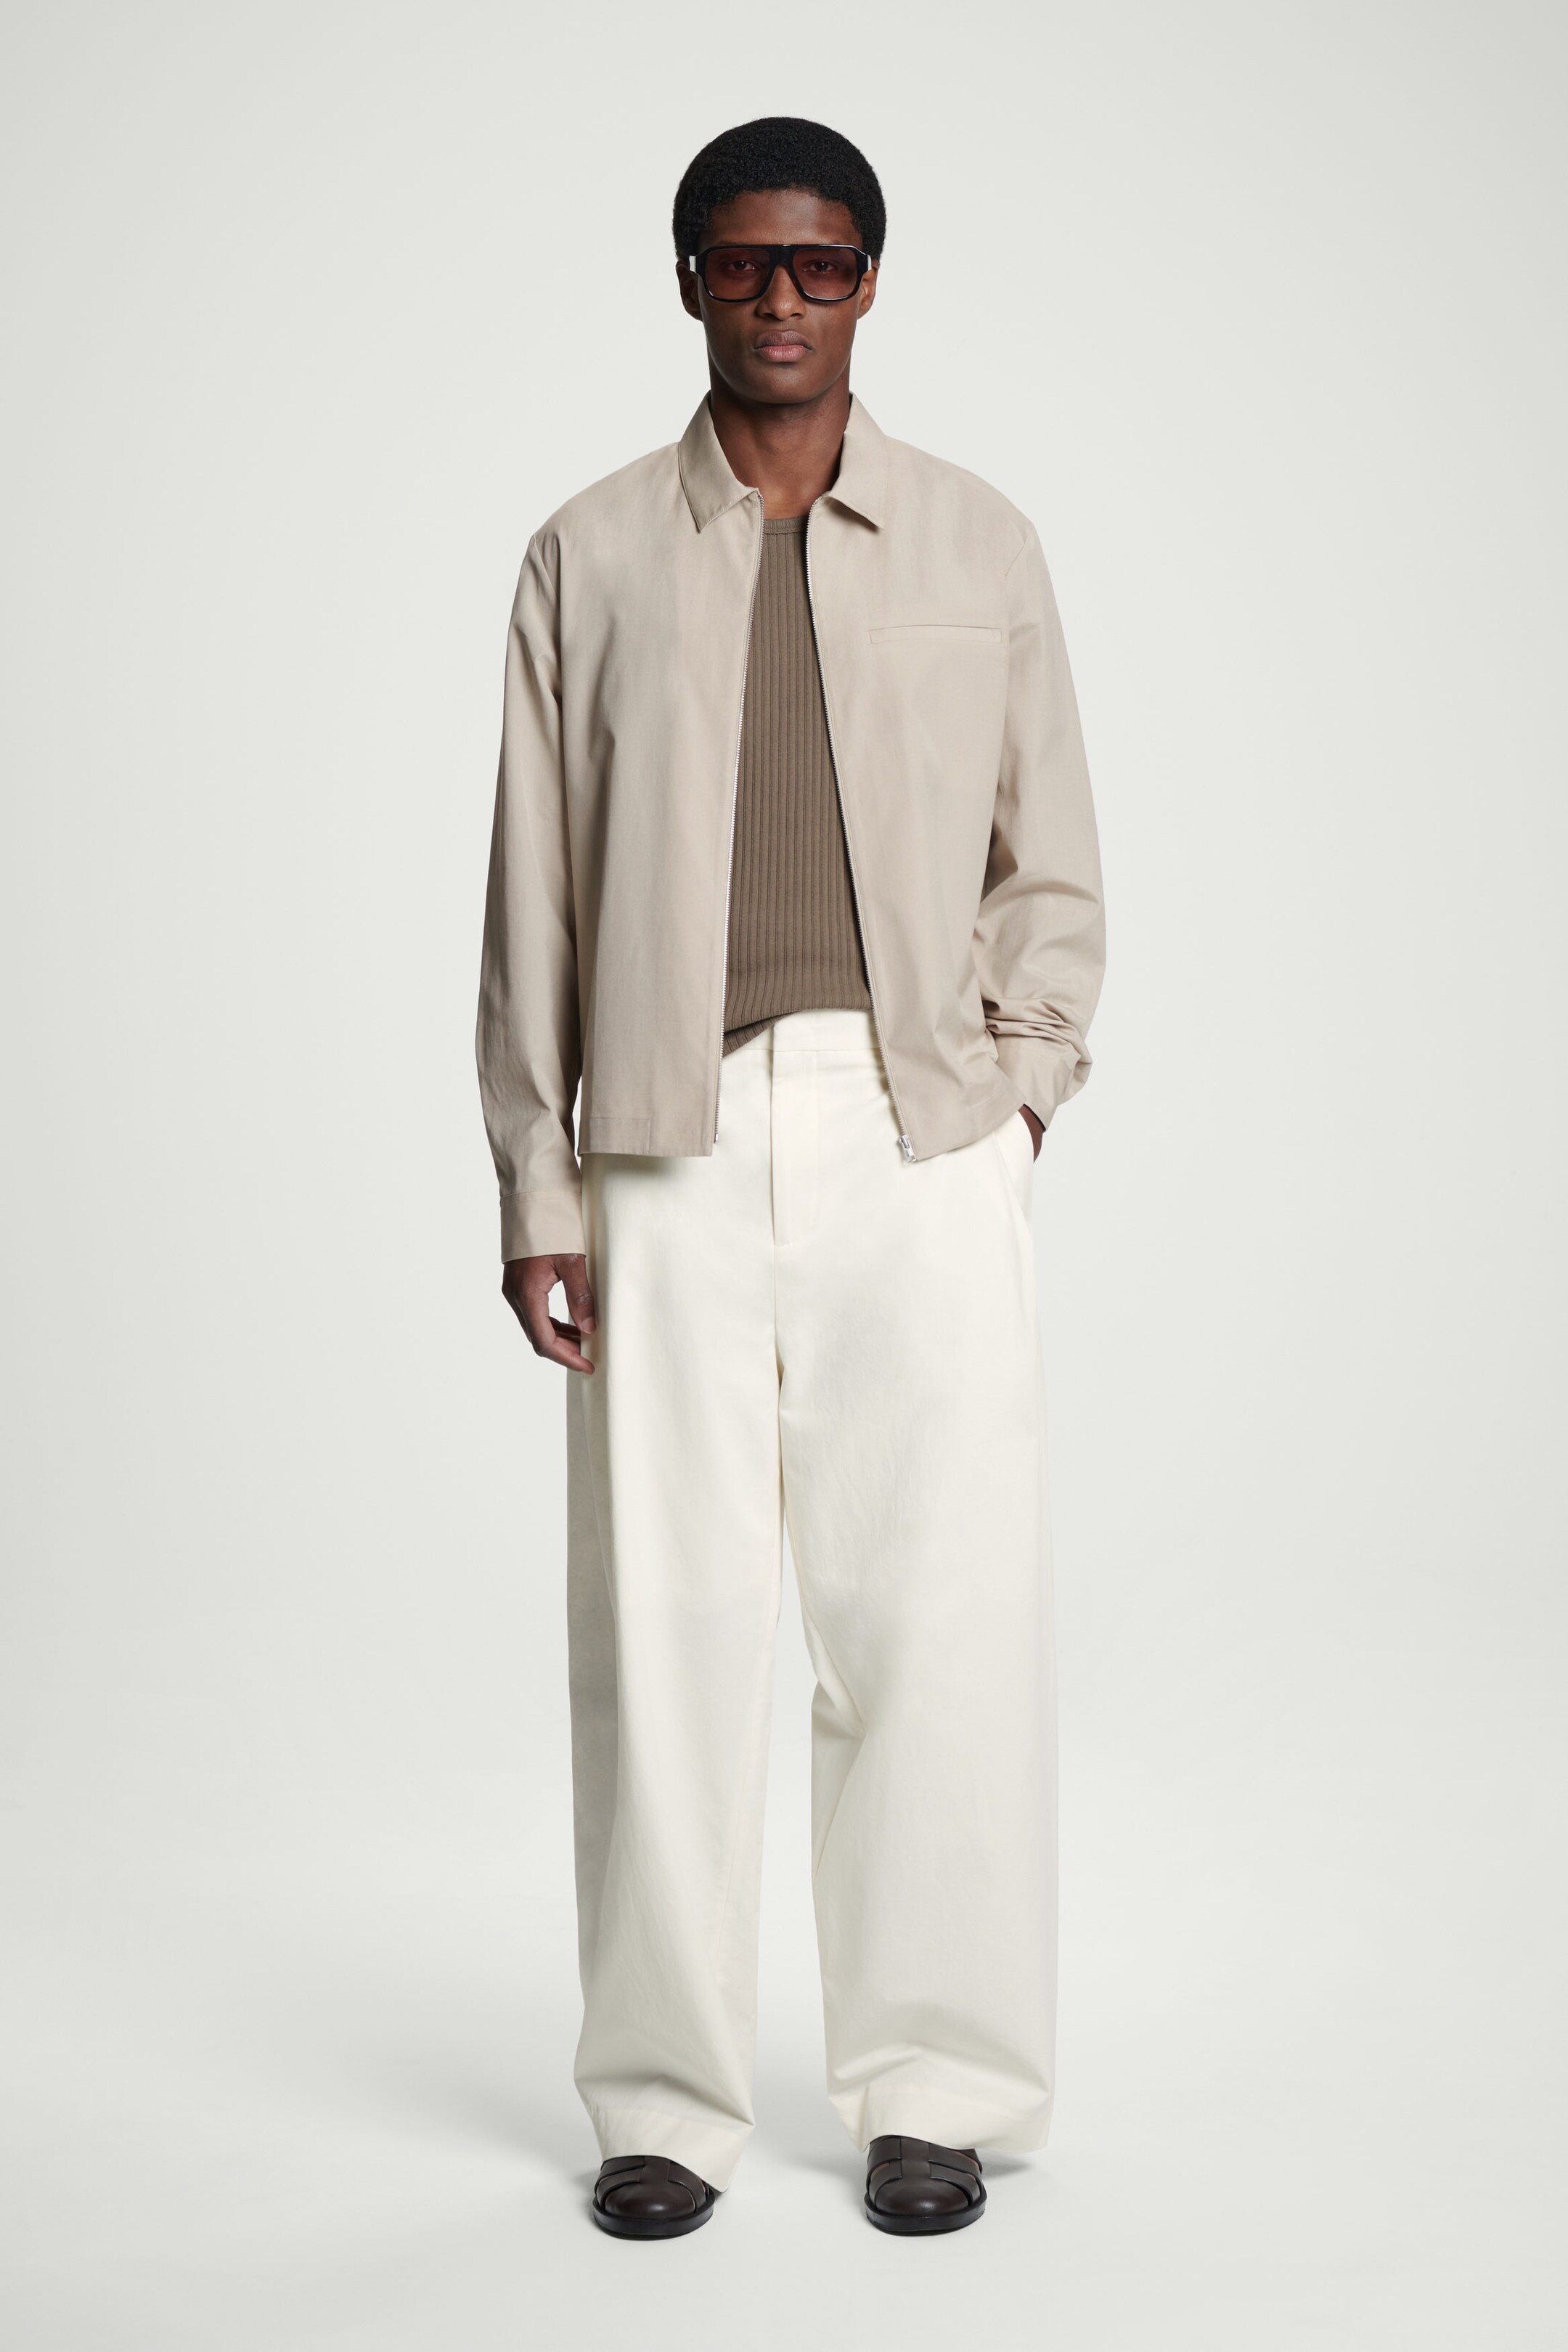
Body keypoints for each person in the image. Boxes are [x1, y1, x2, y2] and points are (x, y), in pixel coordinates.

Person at [476, 115, 1104, 2239]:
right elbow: (533, 901)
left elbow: (1051, 857)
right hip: (661, 1135)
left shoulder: (980, 544)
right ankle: (663, 2104)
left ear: (868, 284)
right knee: (661, 1635)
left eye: (819, 265)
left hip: (915, 1129)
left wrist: (1020, 1097)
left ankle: (939, 2091)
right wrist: (539, 1185)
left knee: (934, 1623)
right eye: (744, 263)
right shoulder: (584, 555)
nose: (780, 298)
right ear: (688, 281)